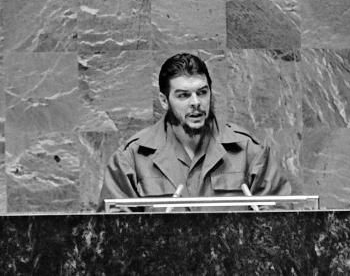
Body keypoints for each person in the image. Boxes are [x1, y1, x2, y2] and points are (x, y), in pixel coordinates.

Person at [99, 53, 290, 210]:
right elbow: (110, 238)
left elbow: (286, 227)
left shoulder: (248, 152)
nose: (196, 103)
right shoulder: (132, 158)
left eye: (202, 92)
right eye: (183, 95)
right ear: (164, 101)